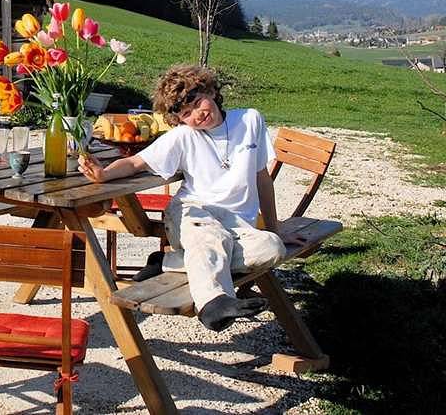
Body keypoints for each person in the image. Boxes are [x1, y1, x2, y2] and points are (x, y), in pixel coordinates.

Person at [78, 65, 304, 332]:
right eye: (187, 113)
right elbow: (135, 162)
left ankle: (166, 262)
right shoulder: (183, 137)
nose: (198, 115)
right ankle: (212, 304)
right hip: (191, 212)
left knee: (271, 247)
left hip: (236, 225)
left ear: (210, 90)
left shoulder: (250, 120)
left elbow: (262, 179)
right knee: (212, 237)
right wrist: (104, 174)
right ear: (179, 120)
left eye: (198, 103)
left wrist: (275, 229)